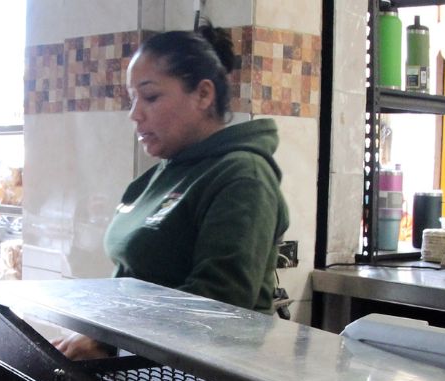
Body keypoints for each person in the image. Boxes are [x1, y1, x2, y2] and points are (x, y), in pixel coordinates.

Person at [54, 23, 289, 360]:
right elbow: (131, 278)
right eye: (132, 98)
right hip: (140, 368)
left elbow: (219, 306)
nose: (135, 114)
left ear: (203, 95)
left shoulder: (242, 176)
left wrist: (108, 342)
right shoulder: (161, 174)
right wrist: (95, 330)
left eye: (150, 96)